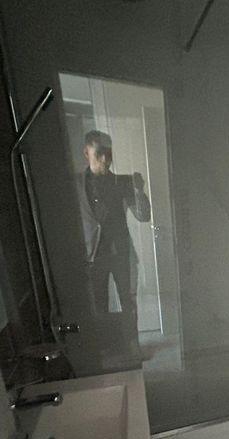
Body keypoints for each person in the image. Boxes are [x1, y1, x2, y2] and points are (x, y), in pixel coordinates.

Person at [76, 129, 151, 338]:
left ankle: (132, 345)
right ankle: (106, 346)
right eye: (99, 153)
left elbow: (144, 216)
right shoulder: (75, 184)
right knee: (98, 305)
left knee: (129, 302)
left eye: (108, 153)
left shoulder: (122, 182)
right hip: (92, 257)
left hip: (121, 255)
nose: (105, 159)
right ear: (86, 153)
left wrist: (139, 191)